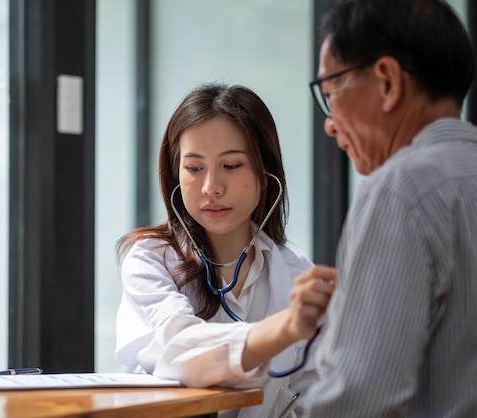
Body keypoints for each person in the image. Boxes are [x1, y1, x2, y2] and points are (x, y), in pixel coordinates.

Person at [306, 0, 477, 416]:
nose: (329, 123)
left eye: (331, 92)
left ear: (387, 81)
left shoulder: (398, 191)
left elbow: (358, 403)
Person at [115, 83, 336, 417]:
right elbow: (181, 352)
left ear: (265, 176)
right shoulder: (150, 261)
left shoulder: (296, 274)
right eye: (194, 168)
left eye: (231, 166)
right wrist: (284, 329)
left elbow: (317, 397)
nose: (211, 187)